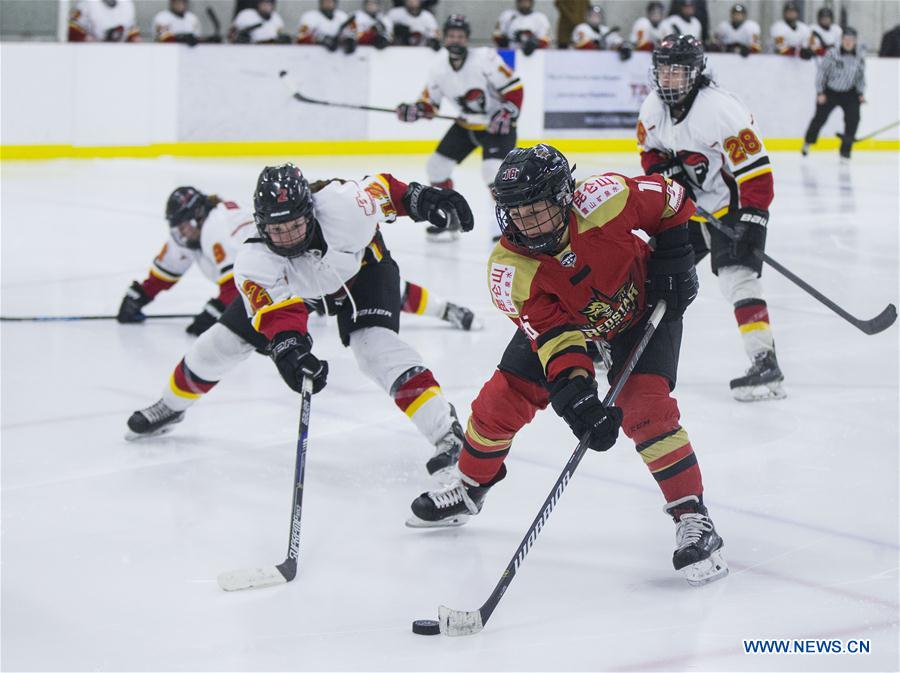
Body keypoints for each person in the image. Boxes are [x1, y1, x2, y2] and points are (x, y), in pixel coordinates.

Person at [406, 144, 728, 587]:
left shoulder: (605, 199)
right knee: (500, 400)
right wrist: (578, 400)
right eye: (516, 213)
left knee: (645, 409)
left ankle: (692, 515)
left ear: (563, 197)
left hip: (642, 310)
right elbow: (556, 339)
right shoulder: (510, 269)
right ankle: (469, 487)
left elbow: (671, 199)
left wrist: (674, 256)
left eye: (537, 209)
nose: (526, 222)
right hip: (572, 323)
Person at [126, 165, 477, 480]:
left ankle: (446, 432)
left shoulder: (343, 206)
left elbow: (386, 190)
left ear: (310, 212)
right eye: (277, 229)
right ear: (261, 224)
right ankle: (170, 405)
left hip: (361, 272)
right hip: (299, 287)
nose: (289, 236)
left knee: (376, 350)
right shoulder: (254, 260)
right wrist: (291, 353)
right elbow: (279, 319)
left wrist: (423, 199)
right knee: (219, 344)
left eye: (296, 224)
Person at [637, 35, 784, 401]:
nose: (668, 78)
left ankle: (765, 362)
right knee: (653, 273)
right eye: (663, 70)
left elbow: (756, 170)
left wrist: (753, 219)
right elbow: (650, 152)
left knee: (738, 278)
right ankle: (624, 347)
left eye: (677, 71)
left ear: (695, 73)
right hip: (689, 210)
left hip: (732, 207)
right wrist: (667, 172)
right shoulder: (653, 108)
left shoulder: (720, 110)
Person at [117, 186, 482, 334]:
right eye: (178, 227)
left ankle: (445, 309)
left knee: (376, 291)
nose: (181, 232)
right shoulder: (190, 233)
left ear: (199, 216)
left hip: (294, 267)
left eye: (185, 224)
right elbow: (168, 269)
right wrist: (139, 295)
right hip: (283, 280)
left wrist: (214, 312)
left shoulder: (215, 227)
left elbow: (233, 290)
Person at [396, 15, 523, 243]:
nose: (456, 40)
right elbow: (429, 103)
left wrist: (508, 110)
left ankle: (514, 226)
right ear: (444, 38)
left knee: (493, 173)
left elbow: (514, 87)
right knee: (436, 167)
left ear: (467, 39)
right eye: (451, 36)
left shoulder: (485, 58)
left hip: (496, 126)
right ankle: (451, 217)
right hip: (466, 126)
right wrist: (415, 110)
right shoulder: (438, 68)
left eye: (460, 36)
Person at [802, 29, 865, 161]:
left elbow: (860, 76)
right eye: (846, 39)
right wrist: (820, 92)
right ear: (841, 40)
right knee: (819, 118)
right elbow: (822, 73)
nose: (848, 42)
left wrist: (860, 93)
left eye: (851, 40)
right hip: (830, 91)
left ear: (855, 41)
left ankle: (845, 151)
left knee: (853, 119)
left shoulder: (859, 55)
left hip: (850, 92)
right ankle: (808, 142)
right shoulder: (832, 53)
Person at [68, 0, 140, 42]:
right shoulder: (87, 3)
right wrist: (86, 39)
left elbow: (133, 35)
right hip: (91, 54)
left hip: (120, 54)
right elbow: (71, 29)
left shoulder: (127, 4)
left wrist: (134, 39)